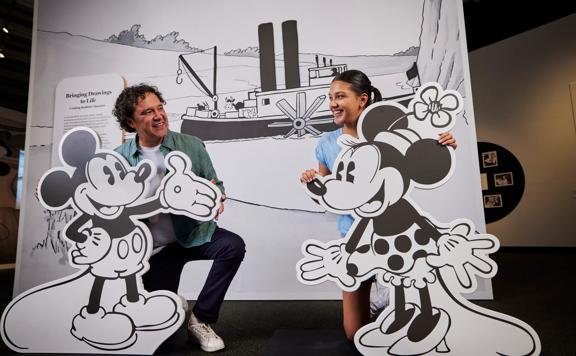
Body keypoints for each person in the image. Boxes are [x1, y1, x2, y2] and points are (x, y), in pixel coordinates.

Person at [299, 70, 457, 341]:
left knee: (407, 322)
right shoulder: (326, 144)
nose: (332, 103)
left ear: (362, 99)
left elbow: (423, 161)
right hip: (353, 238)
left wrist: (445, 145)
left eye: (340, 96)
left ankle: (392, 301)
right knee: (353, 335)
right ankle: (380, 300)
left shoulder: (390, 133)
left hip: (396, 233)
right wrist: (312, 182)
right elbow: (327, 193)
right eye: (330, 97)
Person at [113, 84, 246, 352]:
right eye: (147, 112)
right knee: (158, 340)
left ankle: (201, 320)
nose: (159, 115)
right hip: (155, 249)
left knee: (232, 246)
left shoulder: (192, 145)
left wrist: (216, 197)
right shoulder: (119, 159)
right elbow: (110, 207)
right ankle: (173, 303)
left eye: (160, 108)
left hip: (193, 235)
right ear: (130, 121)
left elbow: (215, 185)